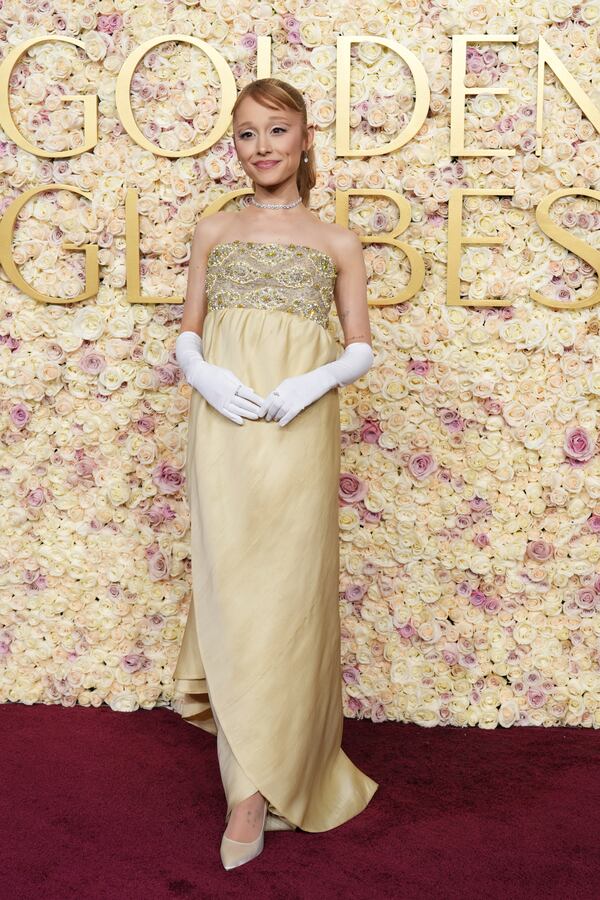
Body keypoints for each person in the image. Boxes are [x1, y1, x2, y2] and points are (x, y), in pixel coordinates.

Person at [172, 77, 378, 871]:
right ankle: (248, 780)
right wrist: (202, 373)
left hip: (298, 424)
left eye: (278, 131)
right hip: (223, 422)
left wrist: (317, 380)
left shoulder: (338, 243)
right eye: (247, 134)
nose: (262, 147)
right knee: (235, 582)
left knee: (286, 592)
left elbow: (360, 344)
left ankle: (260, 789)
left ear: (304, 139)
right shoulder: (214, 229)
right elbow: (188, 329)